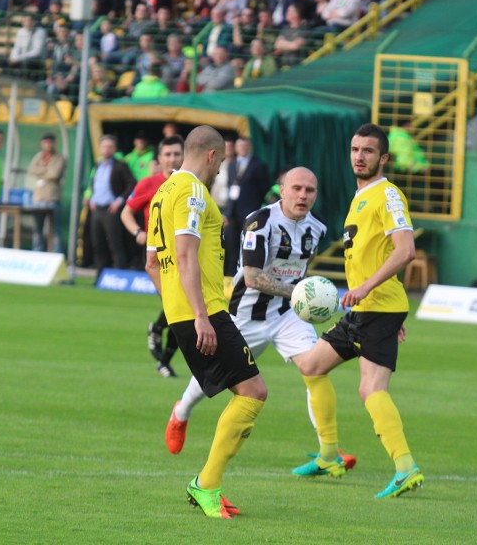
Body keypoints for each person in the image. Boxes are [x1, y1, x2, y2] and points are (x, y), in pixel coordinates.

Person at [163, 167, 356, 470]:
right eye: (296, 188)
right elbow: (252, 277)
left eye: (310, 190)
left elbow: (300, 272)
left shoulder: (317, 226)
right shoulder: (260, 221)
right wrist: (299, 292)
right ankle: (181, 412)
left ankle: (329, 453)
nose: (303, 195)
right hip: (246, 315)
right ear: (282, 189)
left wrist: (305, 300)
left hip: (288, 315)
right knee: (212, 377)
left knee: (314, 368)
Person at [290, 123, 424, 499]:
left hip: (376, 307)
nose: (359, 156)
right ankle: (330, 455)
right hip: (368, 311)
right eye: (354, 149)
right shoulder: (361, 196)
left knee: (371, 389)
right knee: (310, 366)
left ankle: (405, 467)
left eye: (367, 151)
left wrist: (367, 288)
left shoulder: (388, 195)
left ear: (383, 158)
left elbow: (405, 250)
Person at [145, 125, 267, 519]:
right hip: (206, 310)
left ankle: (207, 480)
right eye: (221, 162)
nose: (219, 171)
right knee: (252, 391)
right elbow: (184, 256)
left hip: (188, 310)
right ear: (212, 155)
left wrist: (179, 308)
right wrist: (199, 314)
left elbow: (151, 263)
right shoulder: (194, 191)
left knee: (248, 389)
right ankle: (206, 484)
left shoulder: (162, 193)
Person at [120, 135, 185, 377]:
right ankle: (164, 358)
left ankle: (158, 332)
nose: (172, 159)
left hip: (186, 254)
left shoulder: (192, 184)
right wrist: (138, 232)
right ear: (159, 159)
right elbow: (126, 212)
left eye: (177, 154)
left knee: (180, 307)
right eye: (167, 155)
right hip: (159, 257)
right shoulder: (149, 183)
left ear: (184, 157)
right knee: (180, 306)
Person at [84, 134, 136, 276]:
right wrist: (91, 198)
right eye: (104, 146)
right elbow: (93, 184)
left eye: (110, 146)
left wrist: (119, 201)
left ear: (114, 149)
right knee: (98, 245)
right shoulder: (98, 165)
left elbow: (131, 184)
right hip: (97, 209)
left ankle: (120, 276)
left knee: (115, 244)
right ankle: (100, 277)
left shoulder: (120, 166)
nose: (106, 149)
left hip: (110, 210)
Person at [222, 136, 271, 275]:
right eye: (240, 146)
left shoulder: (259, 165)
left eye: (245, 146)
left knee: (247, 247)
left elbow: (264, 188)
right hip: (232, 213)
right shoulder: (231, 164)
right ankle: (230, 277)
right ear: (236, 148)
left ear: (249, 147)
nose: (242, 149)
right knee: (231, 246)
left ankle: (245, 275)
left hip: (249, 212)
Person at [28, 133, 66, 253]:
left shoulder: (59, 157)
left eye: (50, 142)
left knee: (55, 229)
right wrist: (46, 171)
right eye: (46, 142)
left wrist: (41, 173)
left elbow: (55, 174)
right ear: (42, 143)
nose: (48, 145)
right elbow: (31, 169)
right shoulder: (39, 156)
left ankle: (57, 254)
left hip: (52, 198)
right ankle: (37, 251)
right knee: (37, 228)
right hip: (38, 198)